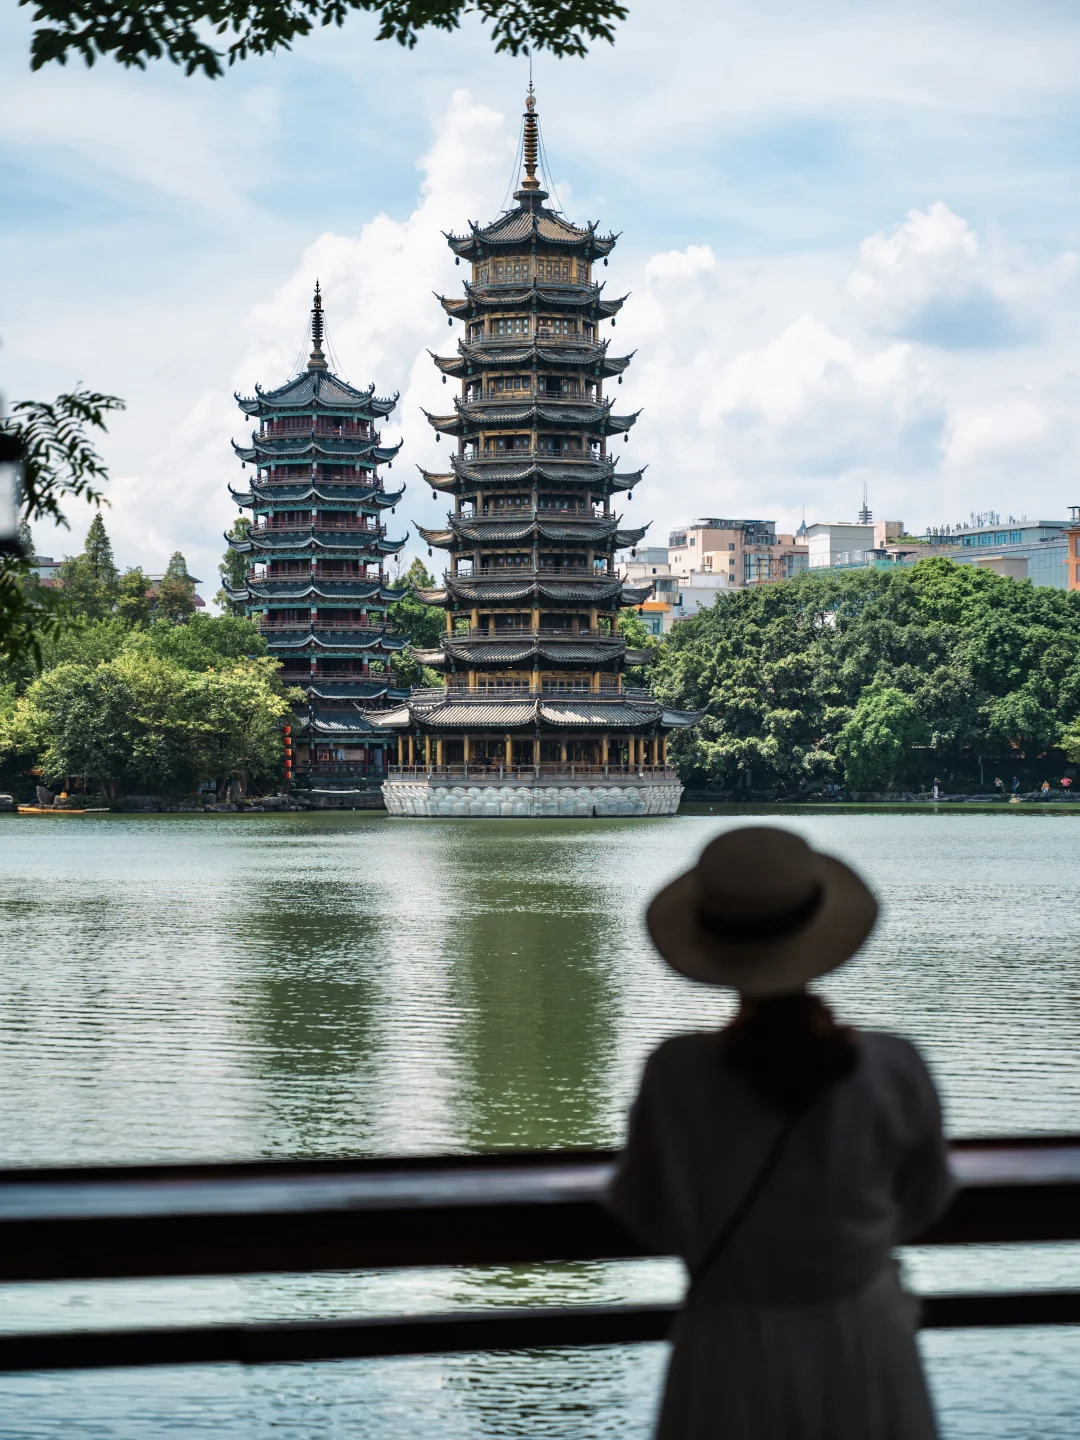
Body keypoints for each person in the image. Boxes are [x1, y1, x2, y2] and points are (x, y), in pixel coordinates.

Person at [609, 827, 953, 1440]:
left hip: (727, 1344)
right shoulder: (893, 1066)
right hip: (862, 1337)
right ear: (821, 929)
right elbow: (924, 1202)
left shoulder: (675, 1072)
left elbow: (644, 1210)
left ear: (708, 936)